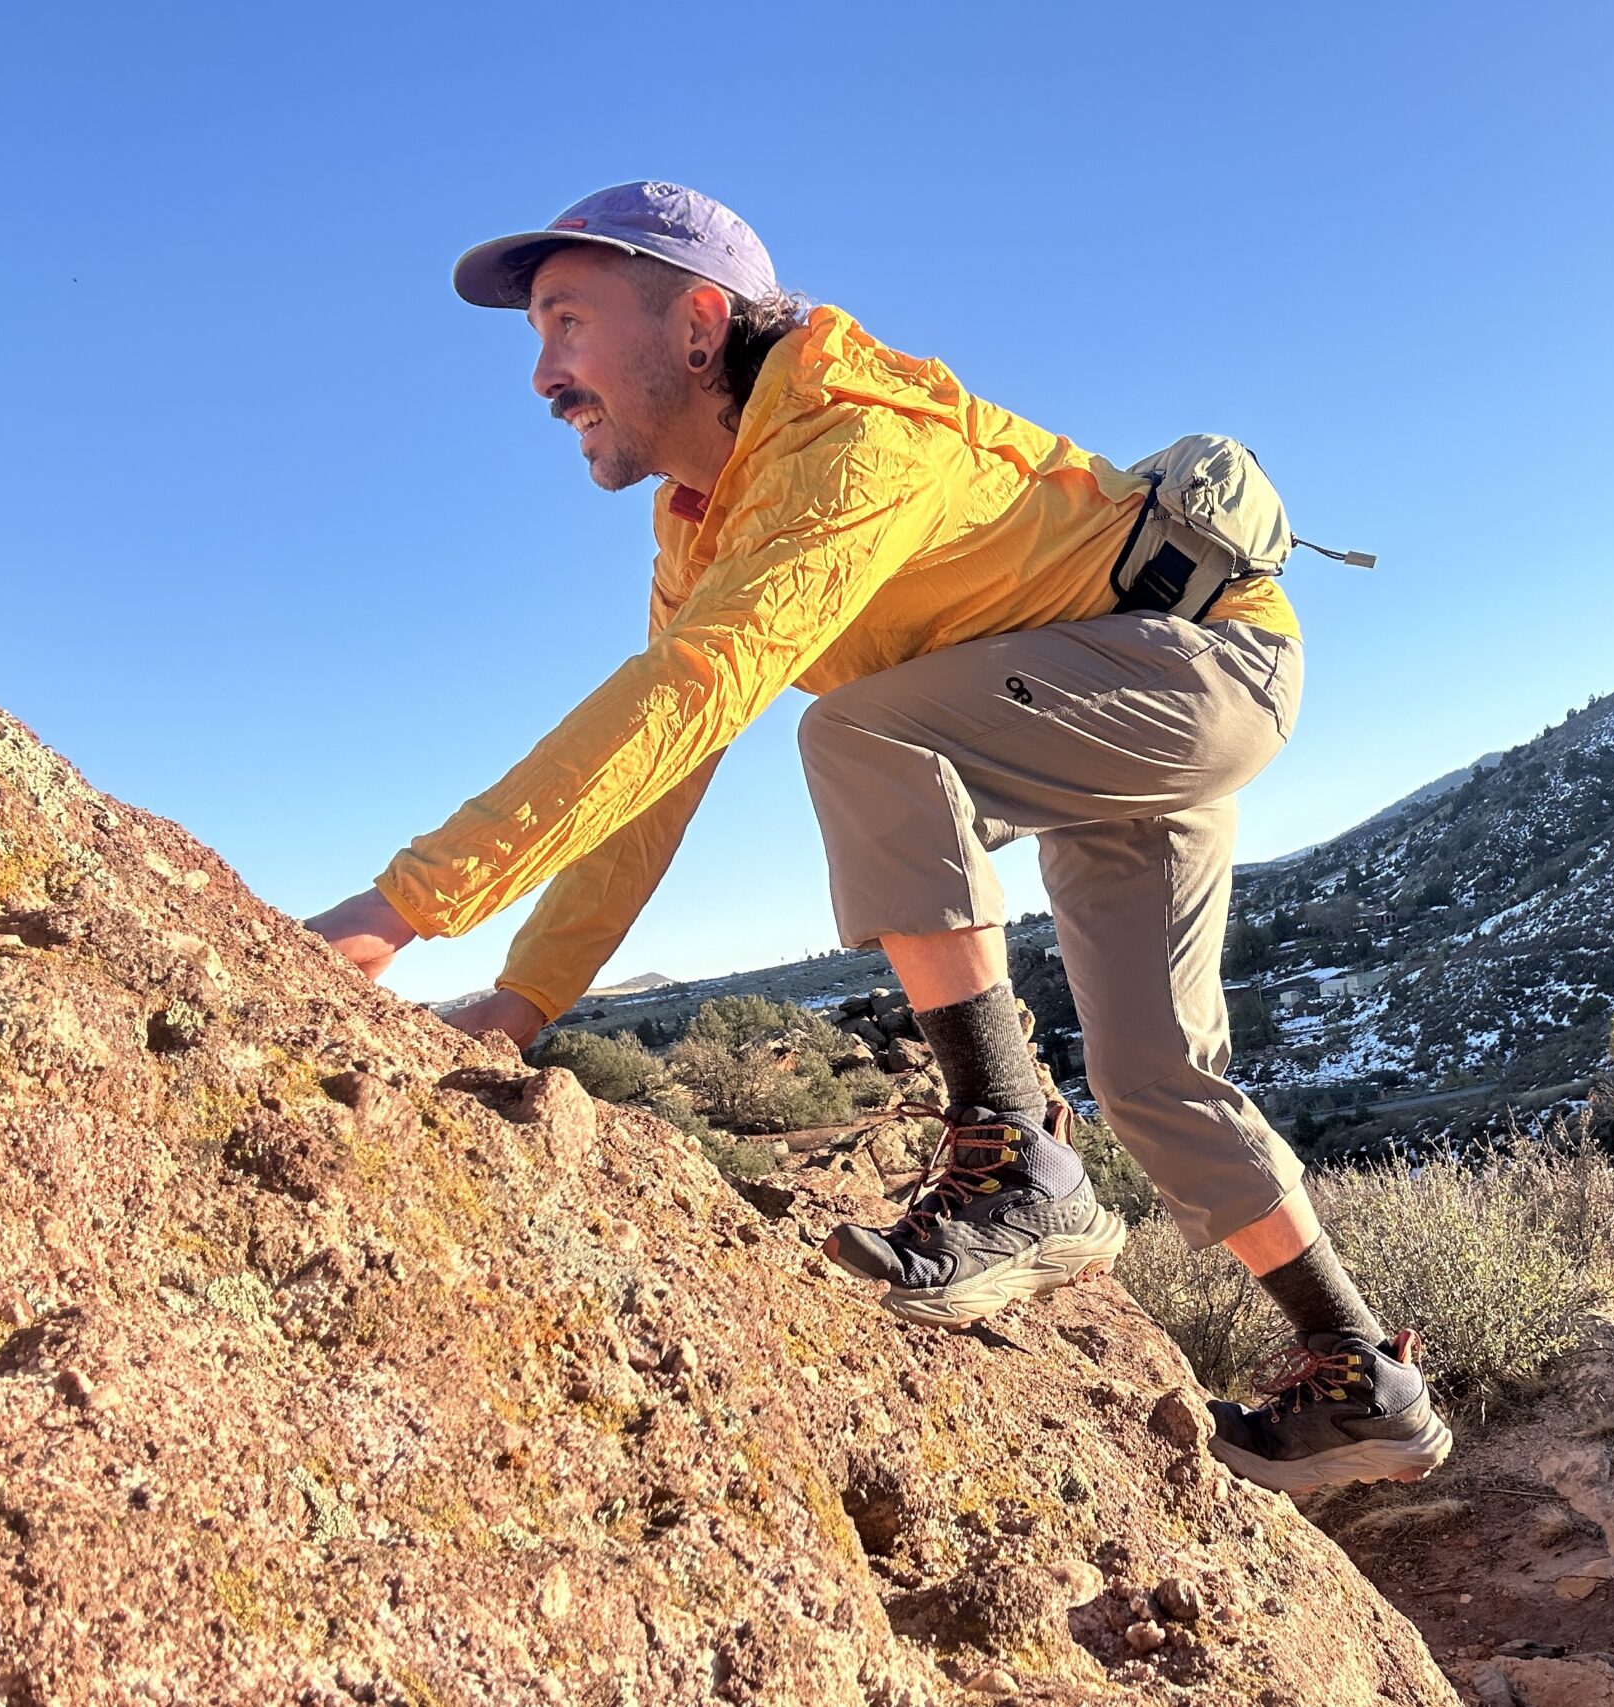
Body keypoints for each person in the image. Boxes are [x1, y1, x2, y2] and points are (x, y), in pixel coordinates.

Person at [304, 181, 1450, 1492]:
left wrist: (399, 908)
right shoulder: (702, 526)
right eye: (533, 337)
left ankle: (1016, 1161)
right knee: (1154, 1080)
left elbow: (696, 692)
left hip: (1198, 661)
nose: (542, 373)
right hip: (1102, 696)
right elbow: (666, 765)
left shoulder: (853, 431)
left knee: (861, 734)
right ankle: (1364, 1377)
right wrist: (521, 995)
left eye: (564, 320)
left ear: (695, 323)